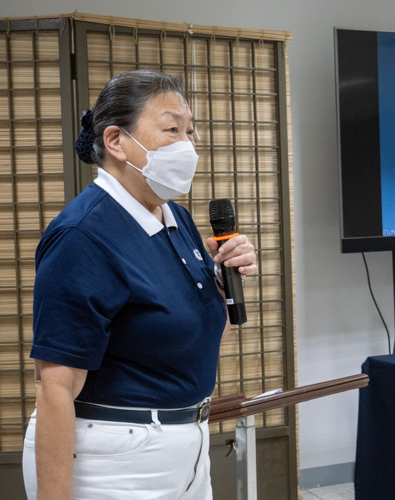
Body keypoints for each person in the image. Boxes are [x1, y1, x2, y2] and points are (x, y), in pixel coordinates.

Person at [22, 70, 257, 500]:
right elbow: (54, 385)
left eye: (190, 131)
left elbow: (200, 333)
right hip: (114, 458)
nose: (188, 145)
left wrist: (228, 281)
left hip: (187, 446)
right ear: (116, 141)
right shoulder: (82, 236)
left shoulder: (177, 218)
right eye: (172, 129)